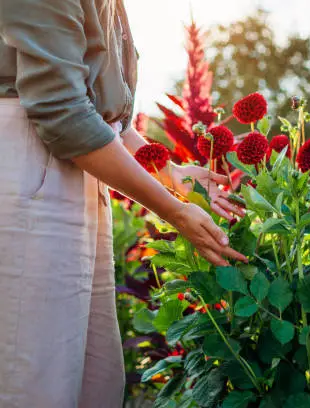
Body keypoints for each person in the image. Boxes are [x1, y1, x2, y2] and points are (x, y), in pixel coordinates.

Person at [0, 0, 247, 406]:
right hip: (30, 173)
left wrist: (171, 174)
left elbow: (105, 116)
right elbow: (62, 113)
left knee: (86, 378)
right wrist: (173, 210)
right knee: (32, 376)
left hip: (69, 169)